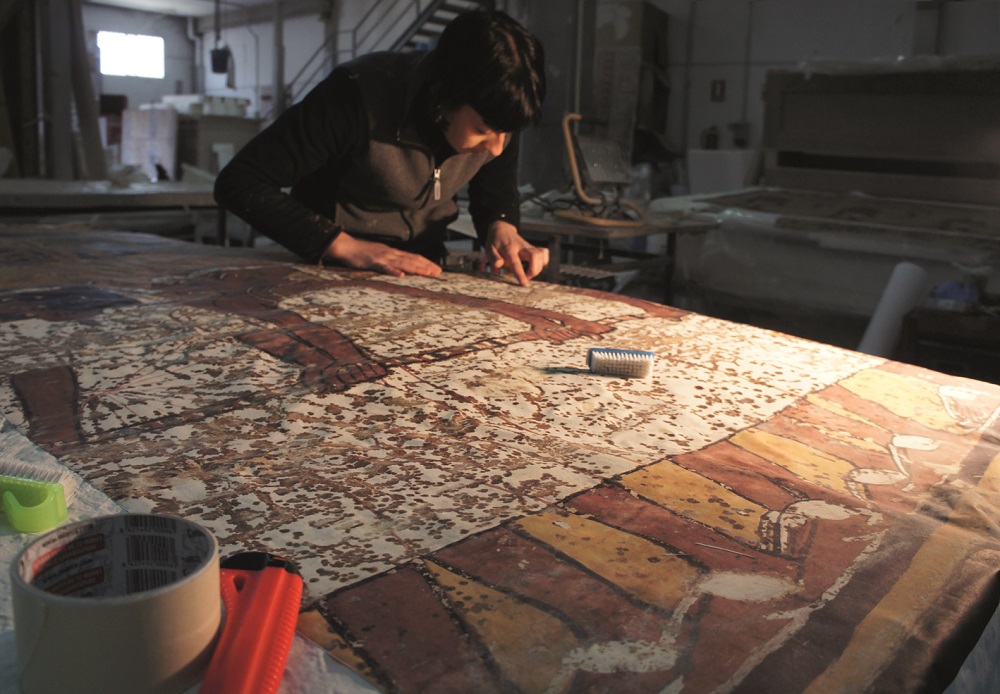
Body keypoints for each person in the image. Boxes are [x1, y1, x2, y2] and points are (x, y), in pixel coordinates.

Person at [214, 9, 549, 287]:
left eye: (507, 133)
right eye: (482, 130)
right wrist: (341, 245)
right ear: (444, 96)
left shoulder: (495, 113)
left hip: (421, 268)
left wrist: (501, 226)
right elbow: (241, 182)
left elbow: (494, 190)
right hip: (332, 268)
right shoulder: (355, 96)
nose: (497, 148)